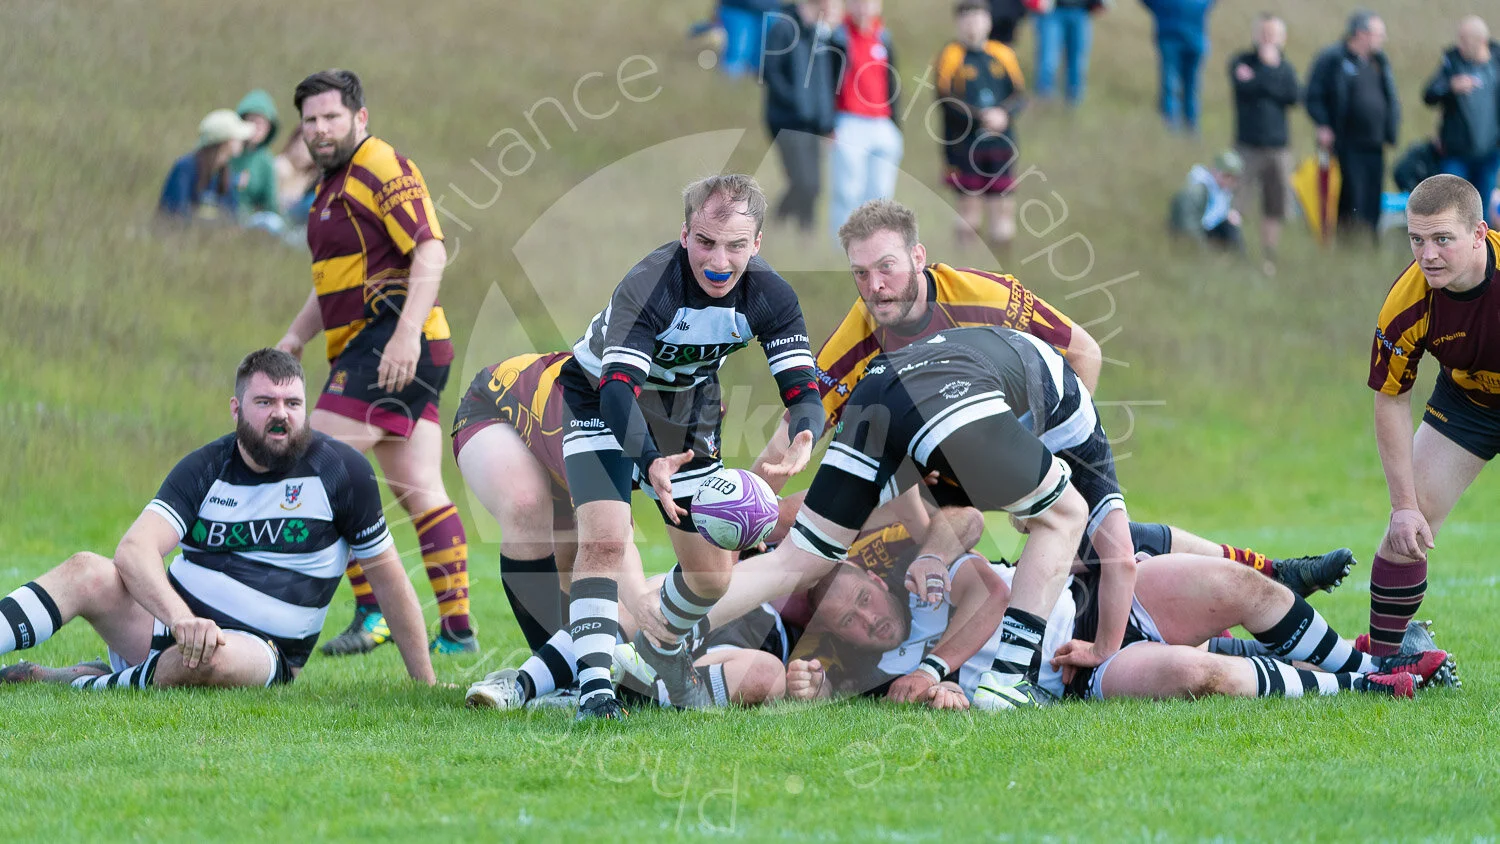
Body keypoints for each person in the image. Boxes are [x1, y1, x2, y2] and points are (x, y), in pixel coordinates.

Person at [0, 349, 436, 690]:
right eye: (264, 402)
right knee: (86, 570)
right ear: (236, 408)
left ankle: (83, 684)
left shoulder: (342, 472)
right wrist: (180, 619)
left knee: (208, 659)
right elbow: (135, 550)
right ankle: (131, 671)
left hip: (261, 651)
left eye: (292, 403)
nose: (280, 414)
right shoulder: (206, 466)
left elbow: (388, 580)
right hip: (169, 624)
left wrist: (426, 683)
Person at [558, 174, 823, 720]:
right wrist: (648, 459)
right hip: (601, 398)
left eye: (735, 246)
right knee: (606, 539)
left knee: (711, 576)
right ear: (684, 235)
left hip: (686, 410)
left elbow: (803, 390)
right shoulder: (651, 284)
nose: (719, 262)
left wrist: (805, 434)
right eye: (705, 242)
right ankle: (595, 692)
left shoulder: (771, 296)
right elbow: (616, 390)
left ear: (757, 244)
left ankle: (660, 646)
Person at [273, 69, 476, 656]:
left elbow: (430, 249)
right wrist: (295, 337)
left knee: (313, 465)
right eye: (310, 120)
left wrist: (406, 334)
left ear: (360, 117)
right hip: (382, 345)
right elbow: (333, 282)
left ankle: (373, 612)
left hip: (392, 343)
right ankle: (458, 632)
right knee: (420, 489)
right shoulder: (329, 185)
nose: (320, 129)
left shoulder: (380, 164)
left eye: (331, 117)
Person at [785, 553, 1451, 708]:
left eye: (862, 599)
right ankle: (1368, 687)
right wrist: (944, 692)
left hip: (1098, 600)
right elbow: (940, 701)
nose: (869, 618)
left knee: (1239, 584)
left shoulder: (925, 574)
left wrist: (935, 668)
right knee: (1196, 673)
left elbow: (994, 592)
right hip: (1080, 671)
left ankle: (1365, 662)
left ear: (874, 578)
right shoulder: (878, 678)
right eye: (849, 623)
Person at [1365, 174, 1500, 657]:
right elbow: (1390, 398)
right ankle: (1382, 666)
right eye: (1417, 240)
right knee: (1407, 531)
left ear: (1479, 234)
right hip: (1469, 404)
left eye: (1443, 239)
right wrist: (1403, 505)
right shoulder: (1407, 304)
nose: (1428, 255)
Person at [935, 0, 1028, 247]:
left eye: (978, 18)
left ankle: (1002, 267)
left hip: (1001, 143)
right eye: (966, 19)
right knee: (969, 208)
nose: (972, 25)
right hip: (964, 145)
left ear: (988, 22)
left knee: (1003, 207)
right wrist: (980, 118)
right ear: (958, 23)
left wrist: (1003, 114)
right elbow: (945, 98)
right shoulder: (951, 55)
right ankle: (966, 264)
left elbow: (1019, 95)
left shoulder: (1003, 54)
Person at [1307, 10, 1400, 241]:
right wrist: (1323, 124)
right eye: (1378, 34)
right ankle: (1348, 239)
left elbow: (1389, 96)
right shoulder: (1333, 59)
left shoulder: (1380, 62)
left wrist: (1390, 127)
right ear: (1361, 33)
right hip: (1347, 141)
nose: (1382, 39)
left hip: (1375, 141)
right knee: (1351, 193)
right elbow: (1313, 95)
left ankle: (1370, 239)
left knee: (1372, 193)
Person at [762, 0, 842, 235]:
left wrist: (827, 121)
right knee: (803, 182)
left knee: (813, 187)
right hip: (787, 120)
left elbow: (827, 81)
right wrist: (797, 103)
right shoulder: (784, 27)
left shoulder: (821, 34)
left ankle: (805, 236)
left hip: (813, 123)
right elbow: (771, 72)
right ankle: (773, 224)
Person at [827, 0, 904, 239]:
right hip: (849, 120)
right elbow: (826, 82)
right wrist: (828, 123)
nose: (864, 8)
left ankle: (876, 245)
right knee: (847, 191)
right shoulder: (838, 38)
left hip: (881, 122)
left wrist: (895, 124)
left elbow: (891, 81)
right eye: (857, 2)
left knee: (881, 192)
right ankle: (842, 246)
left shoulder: (883, 37)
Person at [1229, 14, 1299, 274]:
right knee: (1237, 201)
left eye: (1273, 34)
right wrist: (1269, 74)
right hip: (1247, 146)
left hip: (1278, 148)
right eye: (1264, 33)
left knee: (1275, 206)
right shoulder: (1241, 61)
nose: (1268, 39)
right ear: (1256, 35)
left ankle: (1269, 256)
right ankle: (1232, 249)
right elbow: (1243, 88)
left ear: (1282, 38)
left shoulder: (1286, 68)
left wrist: (1262, 77)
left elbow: (1293, 95)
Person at [1422, 16, 1500, 228]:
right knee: (1453, 203)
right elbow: (1429, 94)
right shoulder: (1452, 63)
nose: (1460, 45)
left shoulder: (1497, 64)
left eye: (1465, 40)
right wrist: (1450, 87)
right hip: (1457, 153)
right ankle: (1451, 241)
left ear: (1481, 41)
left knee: (1482, 204)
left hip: (1490, 153)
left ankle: (1481, 246)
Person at [158, 108, 254, 222]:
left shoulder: (225, 173)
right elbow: (174, 214)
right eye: (238, 137)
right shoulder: (185, 168)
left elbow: (232, 217)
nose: (242, 140)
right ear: (224, 141)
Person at [1140, 0, 1216, 134]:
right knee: (1177, 84)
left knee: (1184, 85)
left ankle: (1186, 125)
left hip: (1186, 39)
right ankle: (1176, 125)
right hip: (1179, 38)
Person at [230, 89, 284, 233]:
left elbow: (270, 203)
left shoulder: (266, 161)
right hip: (223, 215)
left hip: (250, 221)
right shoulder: (227, 152)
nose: (257, 128)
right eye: (253, 121)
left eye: (263, 124)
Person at [1169, 150, 1244, 250]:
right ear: (1215, 171)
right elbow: (1188, 224)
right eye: (1226, 176)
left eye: (1233, 178)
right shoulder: (1197, 191)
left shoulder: (1222, 192)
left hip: (1206, 232)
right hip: (1191, 236)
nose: (1229, 181)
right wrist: (1202, 248)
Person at [1031, 0, 1101, 108]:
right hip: (1052, 10)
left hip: (1081, 10)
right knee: (1048, 59)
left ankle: (1074, 102)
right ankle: (1044, 100)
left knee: (1078, 61)